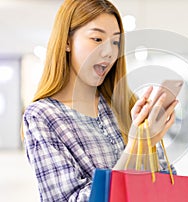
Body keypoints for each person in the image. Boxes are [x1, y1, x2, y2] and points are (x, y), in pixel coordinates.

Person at [22, 0, 178, 201]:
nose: (109, 52)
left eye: (115, 42)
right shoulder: (42, 116)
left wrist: (149, 146)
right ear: (67, 42)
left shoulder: (126, 105)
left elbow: (162, 182)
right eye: (97, 39)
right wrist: (133, 148)